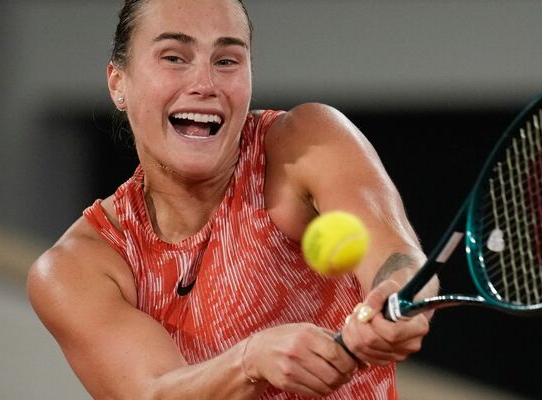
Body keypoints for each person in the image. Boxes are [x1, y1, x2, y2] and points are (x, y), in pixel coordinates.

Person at [27, 0, 438, 398]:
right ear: (119, 83)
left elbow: (397, 256)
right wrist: (249, 361)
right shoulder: (76, 268)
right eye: (174, 57)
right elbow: (151, 392)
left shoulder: (307, 143)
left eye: (226, 61)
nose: (205, 84)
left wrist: (399, 296)